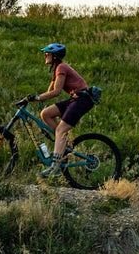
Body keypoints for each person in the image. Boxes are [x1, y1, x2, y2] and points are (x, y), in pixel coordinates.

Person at [27, 43, 95, 179]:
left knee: (61, 130)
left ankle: (55, 168)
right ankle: (62, 140)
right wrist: (31, 99)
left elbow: (57, 92)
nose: (45, 55)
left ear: (55, 56)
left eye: (48, 53)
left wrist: (36, 98)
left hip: (82, 99)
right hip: (74, 98)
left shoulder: (62, 67)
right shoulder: (56, 70)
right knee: (45, 114)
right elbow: (49, 92)